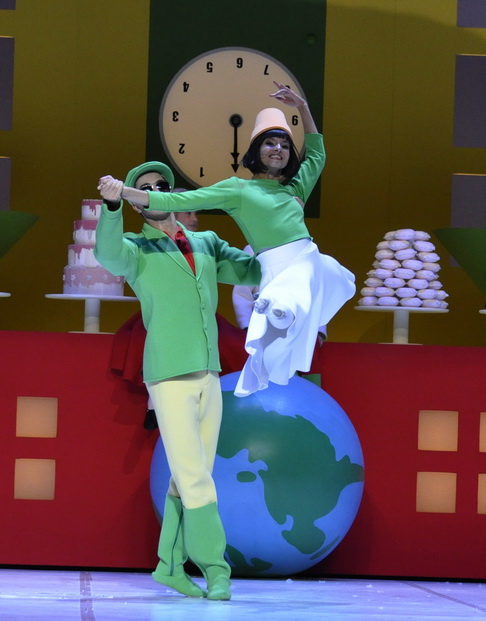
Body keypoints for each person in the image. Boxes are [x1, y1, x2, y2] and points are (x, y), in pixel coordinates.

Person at [98, 81, 355, 397]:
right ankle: (271, 329)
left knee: (336, 279)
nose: (278, 149)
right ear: (256, 150)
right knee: (283, 312)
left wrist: (302, 107)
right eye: (270, 143)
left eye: (285, 145)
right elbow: (178, 200)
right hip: (275, 265)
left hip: (306, 257)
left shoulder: (295, 189)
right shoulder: (238, 189)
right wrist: (122, 193)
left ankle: (276, 329)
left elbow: (317, 153)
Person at [95, 161, 261, 600]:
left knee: (191, 474)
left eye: (161, 184)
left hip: (210, 371)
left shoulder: (206, 242)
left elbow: (250, 271)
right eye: (145, 187)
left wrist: (286, 248)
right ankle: (216, 569)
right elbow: (107, 255)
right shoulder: (134, 248)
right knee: (195, 476)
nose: (155, 190)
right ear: (136, 203)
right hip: (168, 374)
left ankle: (168, 565)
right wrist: (111, 206)